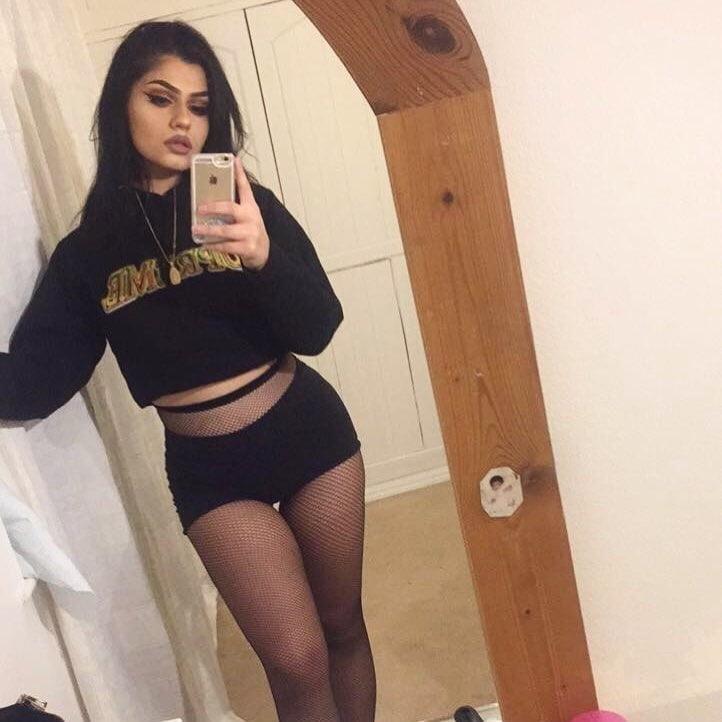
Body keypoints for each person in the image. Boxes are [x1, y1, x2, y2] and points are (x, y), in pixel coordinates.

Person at [0, 20, 376, 722]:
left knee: (342, 625)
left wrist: (263, 255)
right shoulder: (88, 253)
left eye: (200, 107)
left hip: (309, 436)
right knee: (296, 661)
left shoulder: (242, 206)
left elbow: (318, 327)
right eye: (160, 98)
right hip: (212, 471)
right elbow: (32, 382)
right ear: (121, 103)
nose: (182, 121)